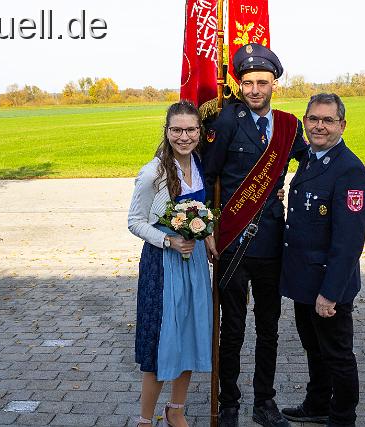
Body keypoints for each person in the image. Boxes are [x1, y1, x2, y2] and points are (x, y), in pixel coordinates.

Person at [203, 43, 306, 427]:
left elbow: (309, 165)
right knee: (232, 327)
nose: (255, 90)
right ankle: (228, 401)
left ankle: (265, 402)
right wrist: (210, 228)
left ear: (274, 83)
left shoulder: (289, 126)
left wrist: (290, 188)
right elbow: (208, 177)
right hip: (232, 242)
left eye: (262, 82)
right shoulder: (227, 122)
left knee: (268, 327)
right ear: (240, 85)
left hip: (271, 243)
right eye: (247, 83)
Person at [279, 93, 365, 427]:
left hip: (328, 284)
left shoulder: (350, 171)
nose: (319, 126)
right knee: (314, 349)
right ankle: (318, 404)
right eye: (313, 119)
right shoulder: (311, 158)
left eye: (327, 120)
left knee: (337, 355)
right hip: (305, 281)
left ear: (342, 125)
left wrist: (331, 293)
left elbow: (348, 243)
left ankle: (343, 417)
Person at [128, 100, 217, 427]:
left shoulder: (198, 163)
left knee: (191, 333)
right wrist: (168, 240)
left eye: (190, 129)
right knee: (161, 338)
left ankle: (176, 409)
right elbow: (134, 221)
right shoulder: (153, 172)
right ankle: (145, 419)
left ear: (199, 131)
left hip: (193, 262)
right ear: (166, 132)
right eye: (177, 129)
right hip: (163, 264)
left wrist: (206, 233)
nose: (184, 136)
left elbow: (200, 208)